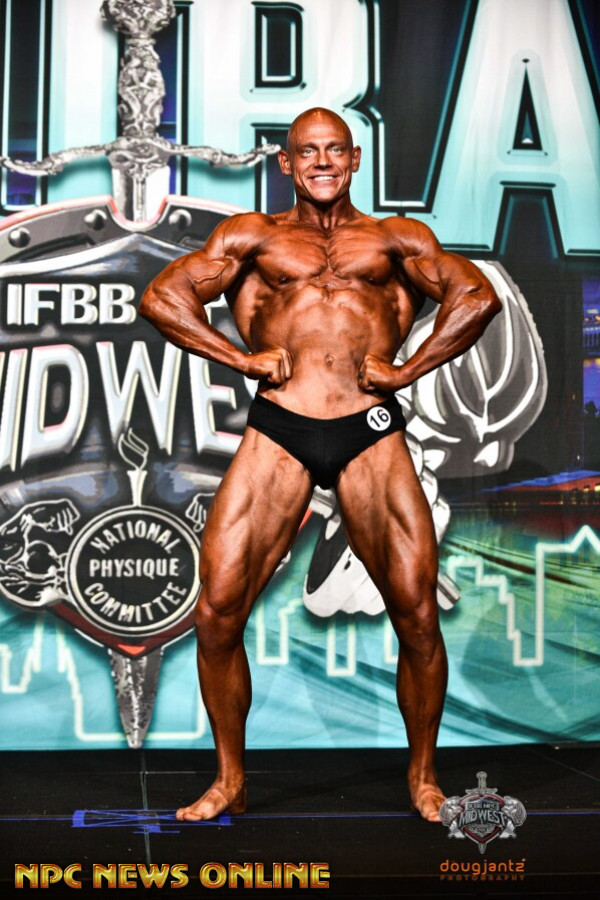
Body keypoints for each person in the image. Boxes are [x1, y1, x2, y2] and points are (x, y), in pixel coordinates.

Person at [139, 107, 501, 823]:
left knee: (416, 613)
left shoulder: (397, 238)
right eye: (308, 151)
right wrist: (240, 359)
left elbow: (476, 296)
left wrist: (408, 371)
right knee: (217, 611)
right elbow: (162, 297)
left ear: (356, 158)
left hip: (369, 428)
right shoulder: (253, 236)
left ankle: (423, 778)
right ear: (287, 162)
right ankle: (230, 779)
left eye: (335, 150)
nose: (323, 161)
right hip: (280, 426)